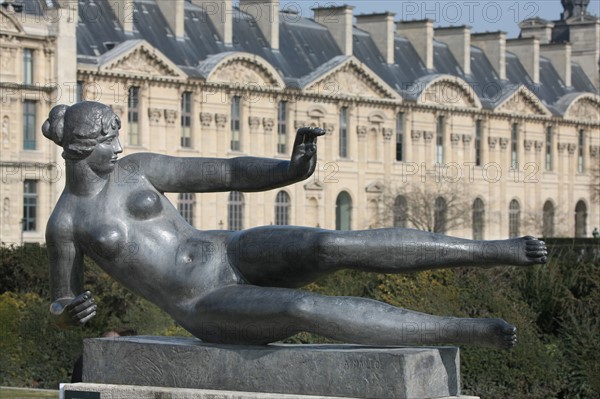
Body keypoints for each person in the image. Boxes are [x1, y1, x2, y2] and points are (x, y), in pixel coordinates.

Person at [45, 101, 547, 350]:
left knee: (330, 244)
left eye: (118, 133)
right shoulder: (67, 222)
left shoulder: (137, 169)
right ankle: (465, 331)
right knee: (303, 306)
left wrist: (289, 169)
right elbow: (61, 301)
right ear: (79, 150)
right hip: (200, 303)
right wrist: (71, 312)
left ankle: (495, 249)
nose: (119, 143)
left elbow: (226, 171)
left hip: (229, 251)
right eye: (109, 139)